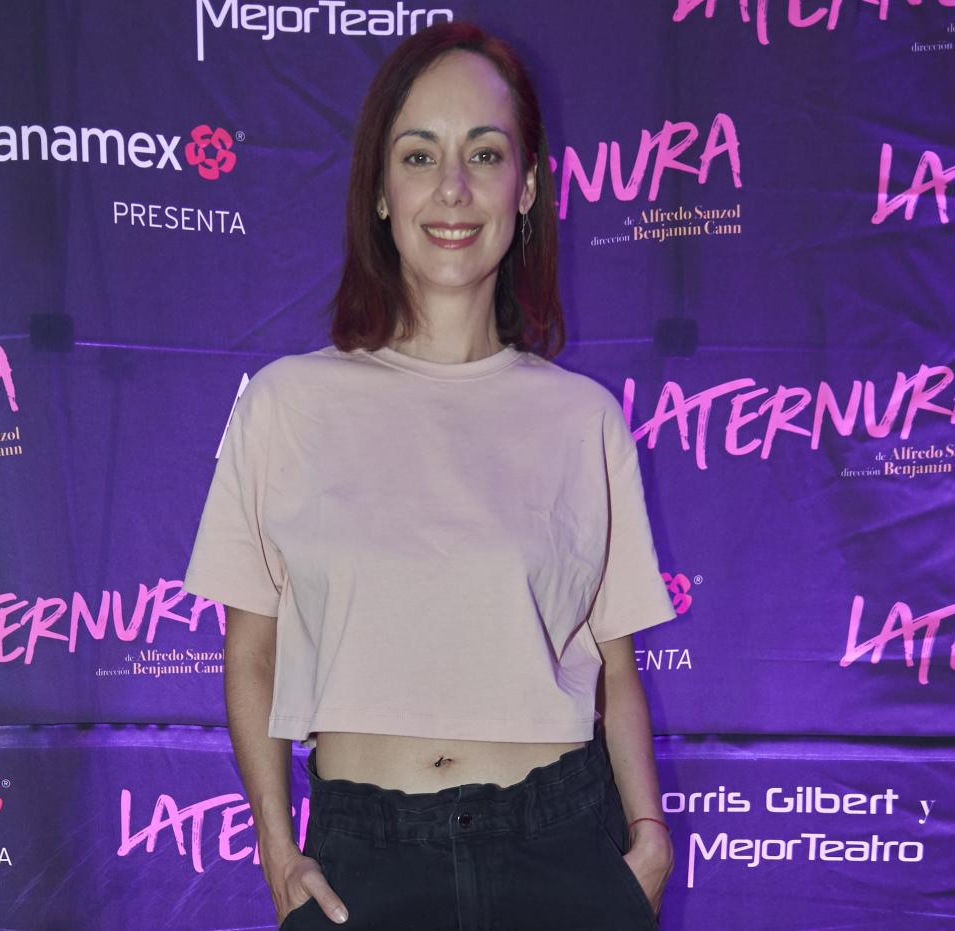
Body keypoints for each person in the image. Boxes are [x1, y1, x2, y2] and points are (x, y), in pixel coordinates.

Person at [183, 21, 677, 931]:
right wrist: (276, 849)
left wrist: (646, 839)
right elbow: (249, 651)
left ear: (527, 187)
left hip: (562, 848)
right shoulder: (285, 406)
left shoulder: (585, 418)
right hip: (362, 864)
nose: (453, 188)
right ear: (378, 187)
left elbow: (616, 665)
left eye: (485, 153)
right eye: (420, 154)